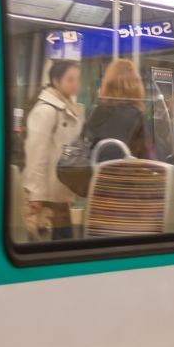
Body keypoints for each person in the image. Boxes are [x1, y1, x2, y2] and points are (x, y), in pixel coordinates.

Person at [22, 61, 82, 241]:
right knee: (54, 245)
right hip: (47, 195)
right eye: (70, 79)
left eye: (77, 79)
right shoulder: (46, 111)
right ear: (56, 81)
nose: (75, 84)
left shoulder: (66, 108)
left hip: (58, 192)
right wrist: (36, 195)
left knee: (61, 245)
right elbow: (36, 154)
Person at [86, 59, 153, 162]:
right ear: (136, 85)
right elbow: (147, 154)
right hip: (122, 174)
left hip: (97, 173)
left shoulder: (97, 111)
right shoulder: (135, 115)